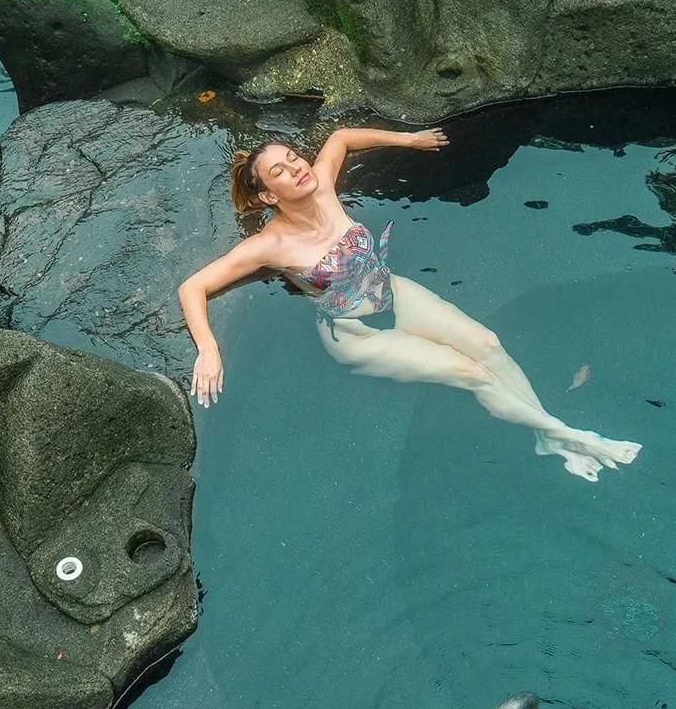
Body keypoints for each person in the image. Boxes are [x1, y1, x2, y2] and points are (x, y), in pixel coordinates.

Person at [177, 127, 642, 482]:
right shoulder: (268, 245)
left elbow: (341, 138)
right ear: (267, 195)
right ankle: (568, 436)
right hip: (354, 331)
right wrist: (208, 349)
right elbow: (193, 288)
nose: (296, 168)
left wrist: (410, 140)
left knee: (487, 344)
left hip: (392, 291)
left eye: (293, 157)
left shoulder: (322, 185)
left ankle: (548, 435)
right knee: (471, 372)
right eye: (279, 172)